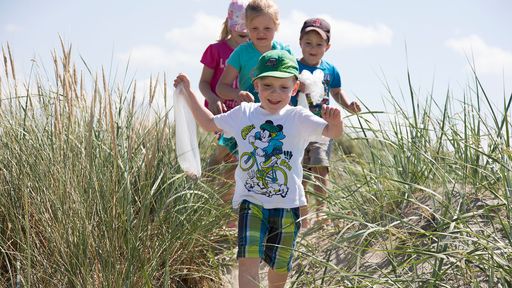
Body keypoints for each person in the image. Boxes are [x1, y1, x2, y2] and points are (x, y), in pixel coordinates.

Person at [173, 50, 344, 288]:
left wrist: (336, 122)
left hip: (288, 205)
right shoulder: (245, 113)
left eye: (283, 87)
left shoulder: (299, 117)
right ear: (256, 85)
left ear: (294, 88)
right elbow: (209, 123)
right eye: (268, 85)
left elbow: (331, 132)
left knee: (280, 267)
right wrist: (189, 92)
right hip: (251, 203)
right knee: (247, 260)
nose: (275, 93)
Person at [291, 17, 361, 221]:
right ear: (300, 43)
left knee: (321, 168)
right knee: (300, 172)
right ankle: (302, 212)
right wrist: (297, 88)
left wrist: (348, 105)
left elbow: (337, 92)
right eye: (308, 43)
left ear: (327, 47)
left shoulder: (330, 69)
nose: (313, 48)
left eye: (319, 44)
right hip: (298, 128)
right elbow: (284, 91)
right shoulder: (292, 67)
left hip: (322, 129)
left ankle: (322, 212)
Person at [199, 0, 248, 207]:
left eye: (249, 32)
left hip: (244, 116)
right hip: (220, 113)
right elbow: (203, 83)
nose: (245, 37)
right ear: (229, 24)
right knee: (223, 153)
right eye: (240, 32)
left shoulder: (253, 52)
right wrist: (212, 98)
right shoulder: (216, 50)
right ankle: (202, 189)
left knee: (234, 160)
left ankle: (225, 207)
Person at [216, 0, 291, 104]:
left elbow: (294, 83)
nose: (261, 33)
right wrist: (237, 93)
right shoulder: (241, 53)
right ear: (247, 26)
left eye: (267, 28)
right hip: (250, 113)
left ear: (276, 26)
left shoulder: (284, 52)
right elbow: (221, 88)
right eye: (255, 28)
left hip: (279, 113)